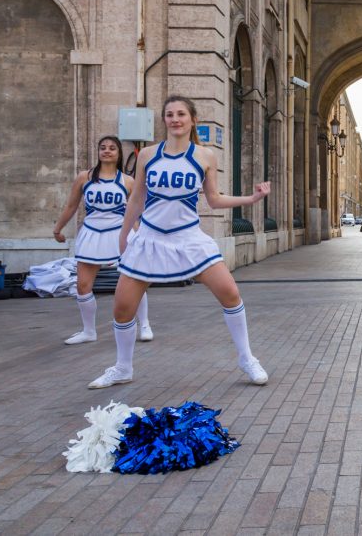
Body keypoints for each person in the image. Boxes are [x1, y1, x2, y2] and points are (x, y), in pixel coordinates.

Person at [87, 95, 271, 389]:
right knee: (122, 308)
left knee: (230, 292)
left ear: (192, 119)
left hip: (188, 238)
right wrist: (124, 234)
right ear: (164, 120)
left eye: (181, 114)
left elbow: (214, 199)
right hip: (149, 237)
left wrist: (252, 198)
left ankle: (247, 358)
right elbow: (137, 198)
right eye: (169, 114)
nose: (175, 119)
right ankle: (122, 367)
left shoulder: (205, 156)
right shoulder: (147, 155)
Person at [53, 137, 152, 345]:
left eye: (112, 148)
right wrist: (58, 228)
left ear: (118, 153)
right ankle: (89, 331)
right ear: (98, 152)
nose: (107, 151)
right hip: (91, 232)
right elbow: (71, 206)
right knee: (82, 285)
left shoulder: (128, 181)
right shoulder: (84, 177)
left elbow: (134, 213)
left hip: (119, 233)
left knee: (133, 281)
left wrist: (140, 234)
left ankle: (144, 325)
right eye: (103, 148)